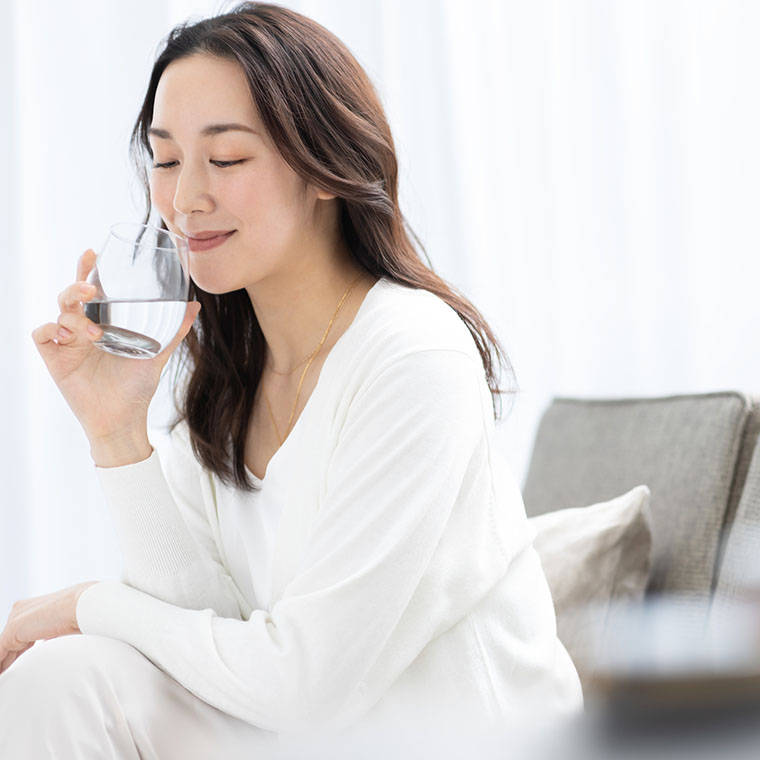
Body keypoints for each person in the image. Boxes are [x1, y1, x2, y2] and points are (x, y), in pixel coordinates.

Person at [0, 2, 582, 756]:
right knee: (64, 678)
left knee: (77, 655)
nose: (184, 200)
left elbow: (304, 686)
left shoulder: (413, 355)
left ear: (323, 167)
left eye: (228, 159)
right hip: (322, 737)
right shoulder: (230, 373)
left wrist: (84, 605)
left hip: (460, 741)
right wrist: (115, 431)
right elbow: (212, 635)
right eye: (167, 159)